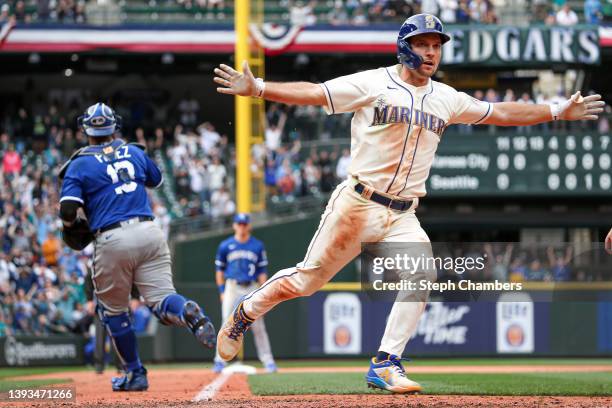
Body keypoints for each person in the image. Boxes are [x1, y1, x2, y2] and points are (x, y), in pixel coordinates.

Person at [213, 13, 604, 394]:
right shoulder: (373, 83)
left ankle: (385, 363)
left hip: (403, 213)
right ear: (405, 47)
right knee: (306, 282)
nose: (432, 52)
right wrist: (260, 88)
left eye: (437, 45)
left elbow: (500, 112)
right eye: (424, 44)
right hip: (358, 204)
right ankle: (245, 312)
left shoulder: (445, 98)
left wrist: (556, 110)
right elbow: (317, 93)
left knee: (422, 275)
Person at [58, 102, 216, 392]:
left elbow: (68, 208)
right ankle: (188, 312)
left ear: (87, 130)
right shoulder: (133, 151)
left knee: (114, 313)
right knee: (162, 299)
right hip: (149, 231)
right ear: (114, 127)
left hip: (113, 238)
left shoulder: (79, 162)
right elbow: (156, 179)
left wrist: (71, 227)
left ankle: (135, 374)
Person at [213, 213, 276, 373]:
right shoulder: (225, 245)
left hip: (252, 287)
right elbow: (219, 271)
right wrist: (221, 291)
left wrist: (264, 292)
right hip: (232, 286)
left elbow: (262, 271)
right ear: (234, 225)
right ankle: (219, 360)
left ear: (248, 225)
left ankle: (268, 360)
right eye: (239, 224)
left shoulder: (257, 245)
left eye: (244, 224)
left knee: (258, 326)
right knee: (225, 323)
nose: (241, 226)